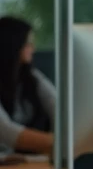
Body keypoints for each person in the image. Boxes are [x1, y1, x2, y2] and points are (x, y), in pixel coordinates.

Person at [0, 16, 55, 157]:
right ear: (13, 44)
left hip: (27, 160)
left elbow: (59, 107)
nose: (33, 48)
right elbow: (7, 132)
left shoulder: (31, 76)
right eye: (28, 43)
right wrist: (61, 142)